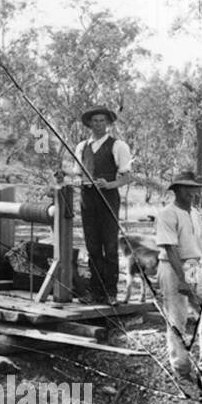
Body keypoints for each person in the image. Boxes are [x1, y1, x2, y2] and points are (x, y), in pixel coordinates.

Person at [68, 105, 133, 304]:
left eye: (102, 121)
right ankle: (95, 292)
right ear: (89, 123)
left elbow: (127, 177)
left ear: (108, 123)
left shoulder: (118, 145)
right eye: (94, 121)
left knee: (110, 246)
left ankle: (111, 293)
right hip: (87, 200)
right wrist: (77, 181)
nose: (98, 124)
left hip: (108, 199)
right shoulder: (81, 146)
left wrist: (109, 184)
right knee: (92, 246)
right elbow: (76, 174)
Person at [155, 170, 202, 380]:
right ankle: (181, 365)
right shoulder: (167, 213)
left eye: (195, 189)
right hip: (171, 267)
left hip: (191, 265)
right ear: (178, 190)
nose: (192, 193)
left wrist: (193, 277)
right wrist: (182, 280)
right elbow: (170, 248)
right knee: (177, 316)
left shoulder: (196, 214)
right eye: (187, 189)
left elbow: (195, 248)